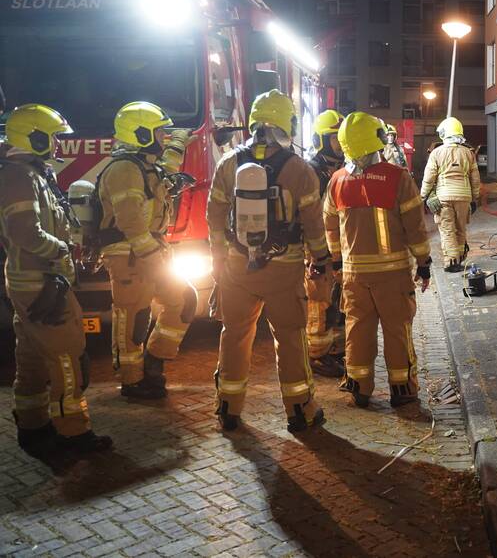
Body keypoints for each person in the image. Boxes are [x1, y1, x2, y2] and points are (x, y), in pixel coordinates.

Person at [207, 89, 330, 433]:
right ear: (285, 123)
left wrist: (219, 262)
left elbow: (214, 217)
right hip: (283, 267)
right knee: (290, 338)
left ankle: (228, 407)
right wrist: (321, 258)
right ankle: (300, 411)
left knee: (234, 334)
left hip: (236, 268)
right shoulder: (299, 170)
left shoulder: (228, 163)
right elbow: (312, 225)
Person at [1, 104, 112, 459]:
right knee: (67, 357)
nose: (58, 145)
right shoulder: (19, 177)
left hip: (33, 281)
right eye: (52, 138)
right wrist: (62, 248)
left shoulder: (29, 174)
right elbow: (25, 233)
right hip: (41, 282)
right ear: (33, 137)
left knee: (32, 357)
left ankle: (33, 428)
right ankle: (73, 433)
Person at [323, 112, 432, 408]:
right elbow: (415, 227)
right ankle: (401, 389)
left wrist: (336, 261)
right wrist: (423, 263)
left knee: (357, 329)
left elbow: (329, 226)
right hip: (393, 275)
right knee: (397, 330)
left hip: (353, 276)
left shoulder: (336, 181)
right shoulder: (398, 177)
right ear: (376, 140)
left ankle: (359, 385)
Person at [97, 101, 197, 399]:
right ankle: (132, 381)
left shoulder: (143, 166)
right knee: (133, 318)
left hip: (149, 250)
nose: (161, 138)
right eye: (158, 133)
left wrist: (179, 142)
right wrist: (153, 257)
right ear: (140, 134)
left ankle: (155, 360)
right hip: (129, 255)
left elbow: (166, 171)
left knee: (183, 300)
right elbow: (130, 221)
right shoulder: (124, 169)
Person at [304, 109, 346, 377]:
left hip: (339, 248)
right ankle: (316, 356)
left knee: (338, 302)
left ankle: (335, 350)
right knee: (319, 303)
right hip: (317, 249)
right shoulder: (311, 172)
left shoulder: (340, 170)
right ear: (321, 139)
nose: (340, 145)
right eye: (334, 139)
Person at [420, 117, 480, 273]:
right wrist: (475, 198)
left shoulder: (436, 153)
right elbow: (475, 178)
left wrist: (423, 196)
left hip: (443, 197)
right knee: (460, 229)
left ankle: (451, 262)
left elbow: (429, 177)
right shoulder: (468, 153)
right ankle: (459, 258)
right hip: (464, 197)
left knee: (447, 230)